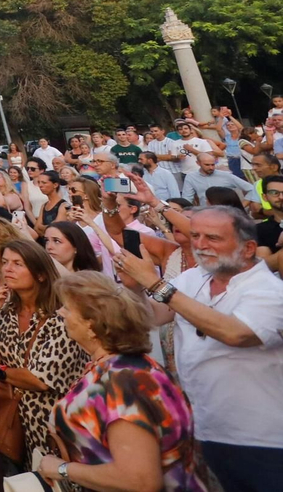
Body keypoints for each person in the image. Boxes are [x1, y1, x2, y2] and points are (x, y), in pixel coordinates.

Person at [115, 205, 283, 492]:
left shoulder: (270, 290)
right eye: (195, 236)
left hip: (265, 440)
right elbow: (152, 316)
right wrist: (136, 288)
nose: (201, 245)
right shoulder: (193, 278)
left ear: (248, 248)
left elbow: (236, 333)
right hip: (205, 432)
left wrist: (155, 283)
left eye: (213, 238)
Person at [35, 270, 206, 492]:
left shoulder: (124, 383)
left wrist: (62, 469)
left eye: (67, 308)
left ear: (91, 324)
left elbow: (141, 481)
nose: (60, 313)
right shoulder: (119, 367)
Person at [0, 239, 88, 483]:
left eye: (18, 264)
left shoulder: (62, 316)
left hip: (55, 427)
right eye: (5, 262)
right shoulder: (6, 312)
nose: (7, 269)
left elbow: (39, 380)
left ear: (41, 275)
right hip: (14, 425)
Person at [184, 152, 252, 206]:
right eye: (207, 165)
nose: (211, 168)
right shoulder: (191, 177)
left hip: (227, 212)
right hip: (207, 213)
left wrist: (241, 206)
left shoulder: (225, 175)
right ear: (198, 163)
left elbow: (251, 189)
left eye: (213, 164)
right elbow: (187, 198)